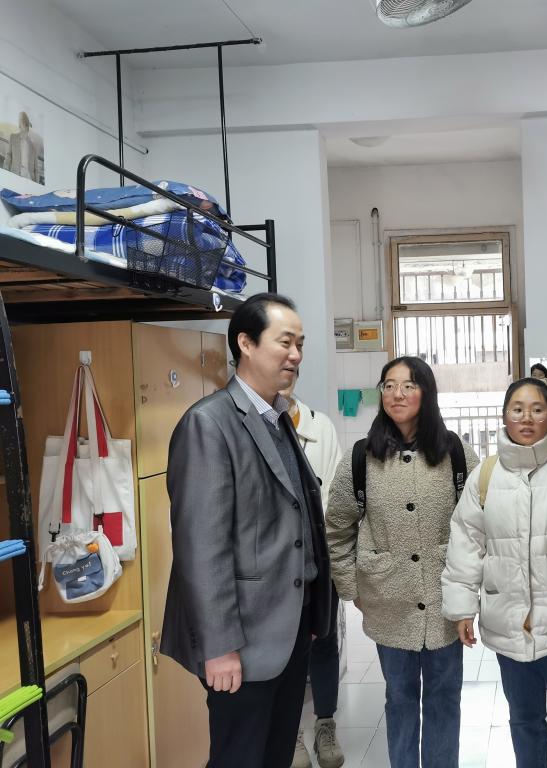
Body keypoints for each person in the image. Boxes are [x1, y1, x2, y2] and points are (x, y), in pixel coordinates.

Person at [161, 293, 332, 768]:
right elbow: (202, 548)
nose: (295, 355)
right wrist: (219, 649)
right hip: (241, 639)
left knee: (275, 754)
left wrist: (311, 615)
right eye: (285, 342)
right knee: (240, 757)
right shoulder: (209, 424)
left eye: (300, 344)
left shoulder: (276, 418)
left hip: (287, 629)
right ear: (246, 344)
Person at [326, 356, 479, 768]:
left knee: (445, 697)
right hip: (387, 600)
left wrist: (472, 590)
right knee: (400, 698)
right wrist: (352, 588)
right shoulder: (361, 457)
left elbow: (479, 523)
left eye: (409, 385)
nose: (397, 394)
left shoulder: (455, 453)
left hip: (445, 601)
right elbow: (337, 527)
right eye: (389, 385)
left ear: (426, 393)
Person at [442, 377, 547, 768]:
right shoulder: (485, 477)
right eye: (517, 409)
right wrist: (462, 608)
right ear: (504, 416)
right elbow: (466, 542)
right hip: (509, 626)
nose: (527, 418)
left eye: (537, 409)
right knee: (525, 723)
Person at [282, 373, 346, 768]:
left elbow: (336, 495)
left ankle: (325, 725)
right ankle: (289, 733)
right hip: (275, 565)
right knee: (284, 647)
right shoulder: (250, 426)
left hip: (318, 558)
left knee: (323, 639)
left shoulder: (320, 427)